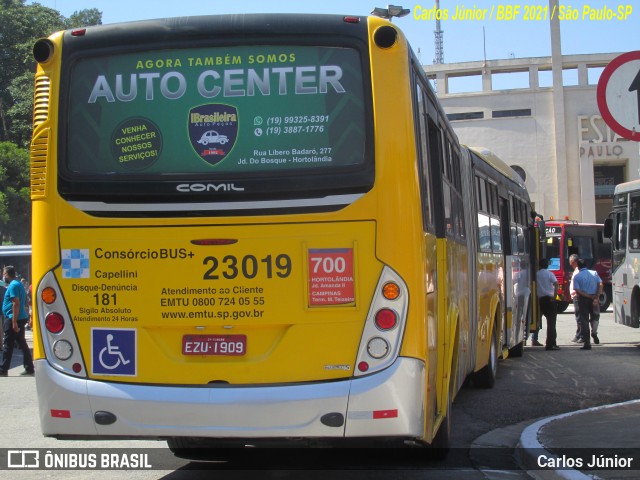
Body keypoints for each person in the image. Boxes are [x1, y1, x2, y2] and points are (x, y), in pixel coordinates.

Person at [0, 266, 34, 376]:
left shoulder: (13, 285)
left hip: (13, 318)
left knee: (8, 344)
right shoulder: (18, 284)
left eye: (4, 274)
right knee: (21, 343)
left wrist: (13, 322)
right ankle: (29, 367)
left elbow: (16, 303)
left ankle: (3, 369)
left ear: (8, 274)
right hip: (19, 317)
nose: (3, 276)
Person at [572, 259, 601, 351]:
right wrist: (596, 297)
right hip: (594, 298)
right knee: (595, 317)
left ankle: (587, 343)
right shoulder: (594, 273)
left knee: (584, 320)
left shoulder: (577, 277)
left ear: (578, 266)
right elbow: (600, 284)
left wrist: (588, 296)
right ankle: (594, 332)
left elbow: (577, 290)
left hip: (583, 300)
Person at [536, 258, 560, 350]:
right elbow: (556, 284)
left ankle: (538, 339)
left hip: (541, 299)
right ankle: (550, 344)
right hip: (550, 299)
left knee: (539, 320)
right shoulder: (550, 274)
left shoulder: (536, 274)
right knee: (551, 323)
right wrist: (555, 296)